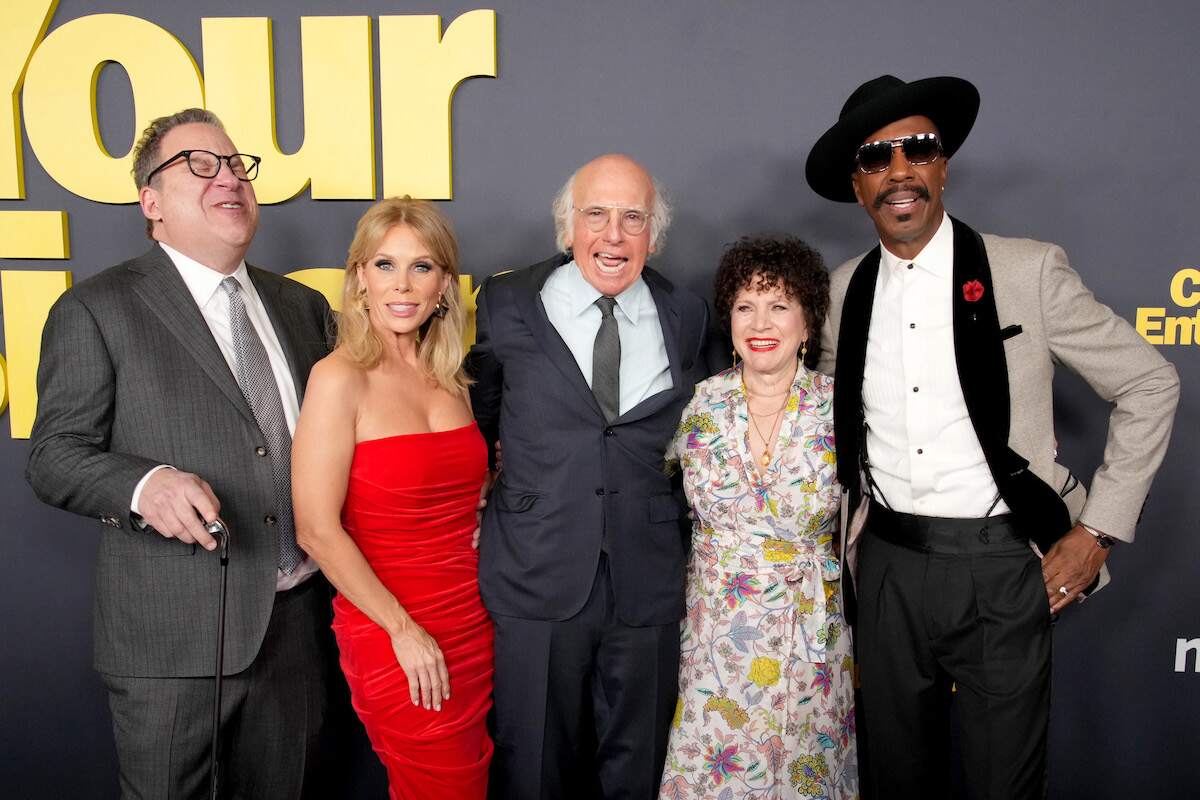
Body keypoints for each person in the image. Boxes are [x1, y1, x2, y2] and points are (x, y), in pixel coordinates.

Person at [806, 75, 1180, 799]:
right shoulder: (842, 291)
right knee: (893, 780)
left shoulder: (1027, 270)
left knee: (1000, 784)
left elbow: (1150, 383)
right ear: (858, 186)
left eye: (917, 149)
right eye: (877, 159)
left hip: (1003, 567)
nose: (899, 171)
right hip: (884, 568)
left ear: (942, 164)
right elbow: (814, 420)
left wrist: (1099, 528)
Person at [26, 108, 345, 797]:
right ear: (151, 203)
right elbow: (54, 455)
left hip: (297, 631)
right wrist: (144, 485)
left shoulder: (302, 307)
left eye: (235, 164)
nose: (227, 176)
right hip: (172, 642)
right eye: (199, 164)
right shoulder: (96, 310)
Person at [468, 154, 715, 799]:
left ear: (653, 236)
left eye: (632, 218)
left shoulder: (686, 314)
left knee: (639, 770)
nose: (613, 235)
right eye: (596, 215)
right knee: (535, 769)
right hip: (536, 573)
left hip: (648, 581)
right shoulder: (506, 303)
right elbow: (479, 419)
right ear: (566, 227)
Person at [292, 197, 493, 799]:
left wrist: (486, 501)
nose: (402, 285)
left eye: (422, 267)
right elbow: (317, 530)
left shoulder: (449, 377)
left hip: (473, 621)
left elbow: (446, 481)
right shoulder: (338, 377)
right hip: (392, 632)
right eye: (385, 265)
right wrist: (403, 631)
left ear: (444, 287)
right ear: (358, 281)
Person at [659, 237, 858, 800]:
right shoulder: (702, 404)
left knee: (804, 770)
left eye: (779, 305)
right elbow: (641, 478)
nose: (760, 322)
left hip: (810, 628)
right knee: (713, 767)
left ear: (808, 322)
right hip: (717, 632)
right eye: (746, 306)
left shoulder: (841, 406)